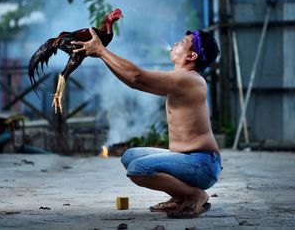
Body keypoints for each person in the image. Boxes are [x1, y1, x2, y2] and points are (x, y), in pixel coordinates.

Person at [71, 28, 222, 219]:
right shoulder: (183, 78)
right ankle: (180, 197)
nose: (175, 43)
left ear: (192, 55)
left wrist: (101, 51)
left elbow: (136, 77)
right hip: (187, 159)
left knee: (139, 170)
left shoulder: (189, 80)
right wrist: (101, 55)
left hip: (202, 164)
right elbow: (133, 81)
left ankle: (194, 195)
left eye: (182, 42)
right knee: (129, 156)